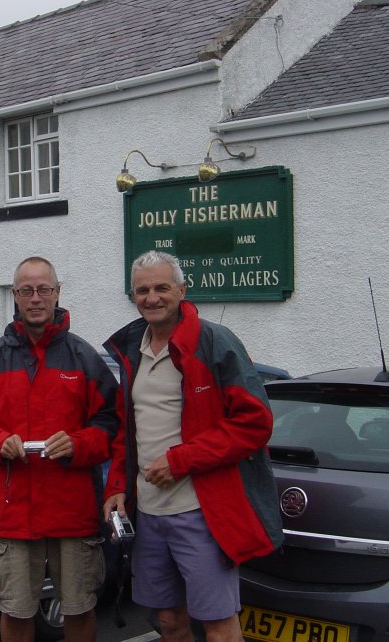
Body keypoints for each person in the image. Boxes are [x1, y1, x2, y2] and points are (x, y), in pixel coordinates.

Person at [102, 250, 283, 642]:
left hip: (202, 512)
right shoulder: (132, 349)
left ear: (182, 290)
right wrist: (116, 486)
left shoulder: (214, 342)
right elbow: (124, 432)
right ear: (133, 295)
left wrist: (182, 459)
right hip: (148, 514)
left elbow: (255, 424)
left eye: (162, 287)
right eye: (143, 289)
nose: (152, 297)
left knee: (218, 626)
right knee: (167, 622)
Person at [0, 256, 118, 642]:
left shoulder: (83, 357)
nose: (35, 298)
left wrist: (78, 443)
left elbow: (110, 426)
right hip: (15, 511)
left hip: (73, 509)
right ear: (15, 296)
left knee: (79, 609)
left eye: (43, 289)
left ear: (57, 293)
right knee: (15, 612)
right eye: (26, 291)